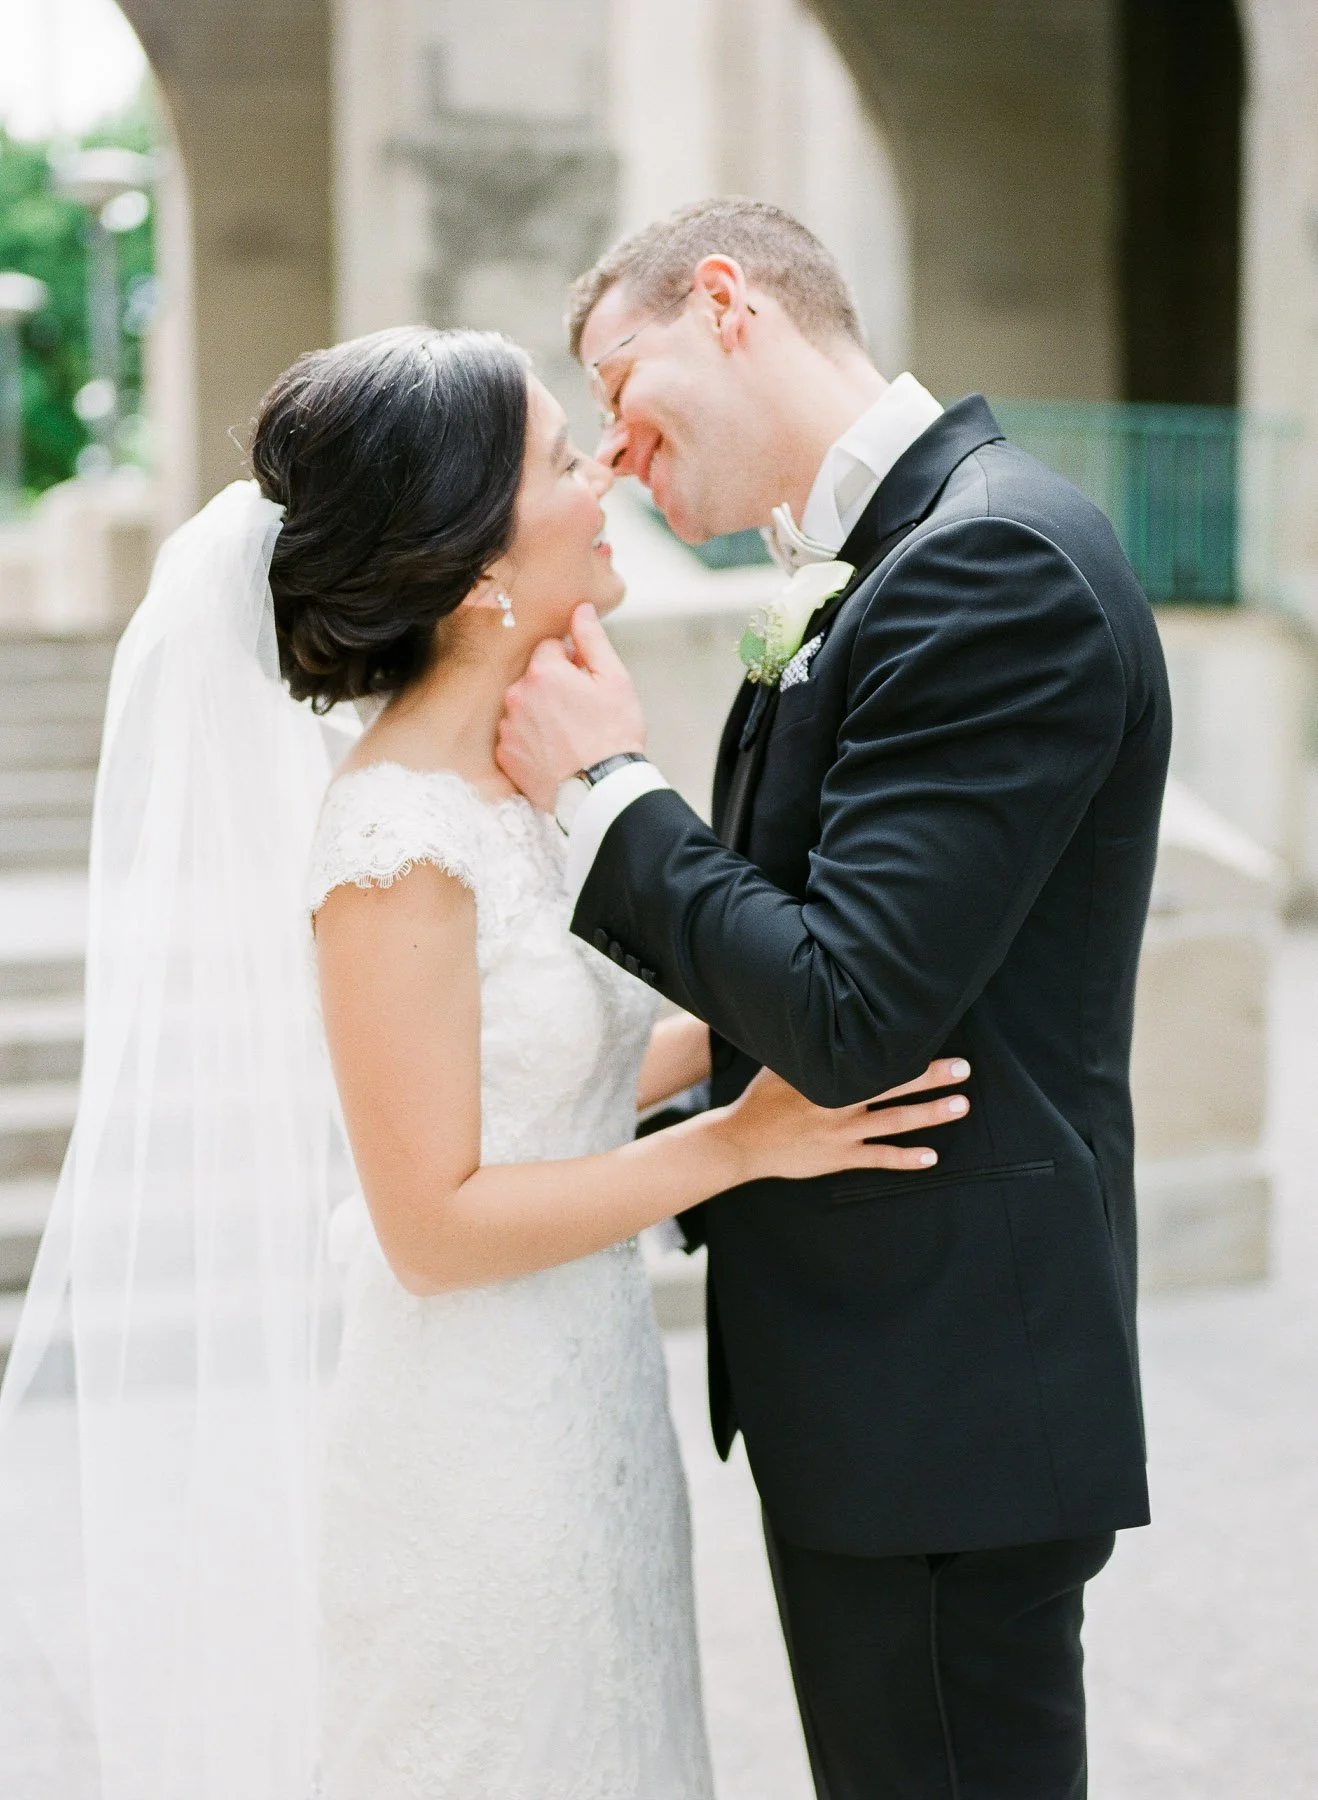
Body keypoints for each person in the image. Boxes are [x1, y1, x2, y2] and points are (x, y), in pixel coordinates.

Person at [0, 324, 970, 1800]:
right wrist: (733, 1142)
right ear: (475, 565)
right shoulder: (393, 838)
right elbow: (432, 1224)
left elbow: (556, 1067)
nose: (605, 477)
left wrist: (849, 994)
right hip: (472, 1439)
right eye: (559, 460)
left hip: (581, 1399)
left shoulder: (515, 779)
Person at [496, 198, 1173, 1800]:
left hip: (945, 1399)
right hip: (895, 1386)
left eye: (617, 379)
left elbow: (852, 1002)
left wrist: (605, 790)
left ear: (723, 301)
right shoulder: (888, 560)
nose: (616, 456)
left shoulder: (987, 557)